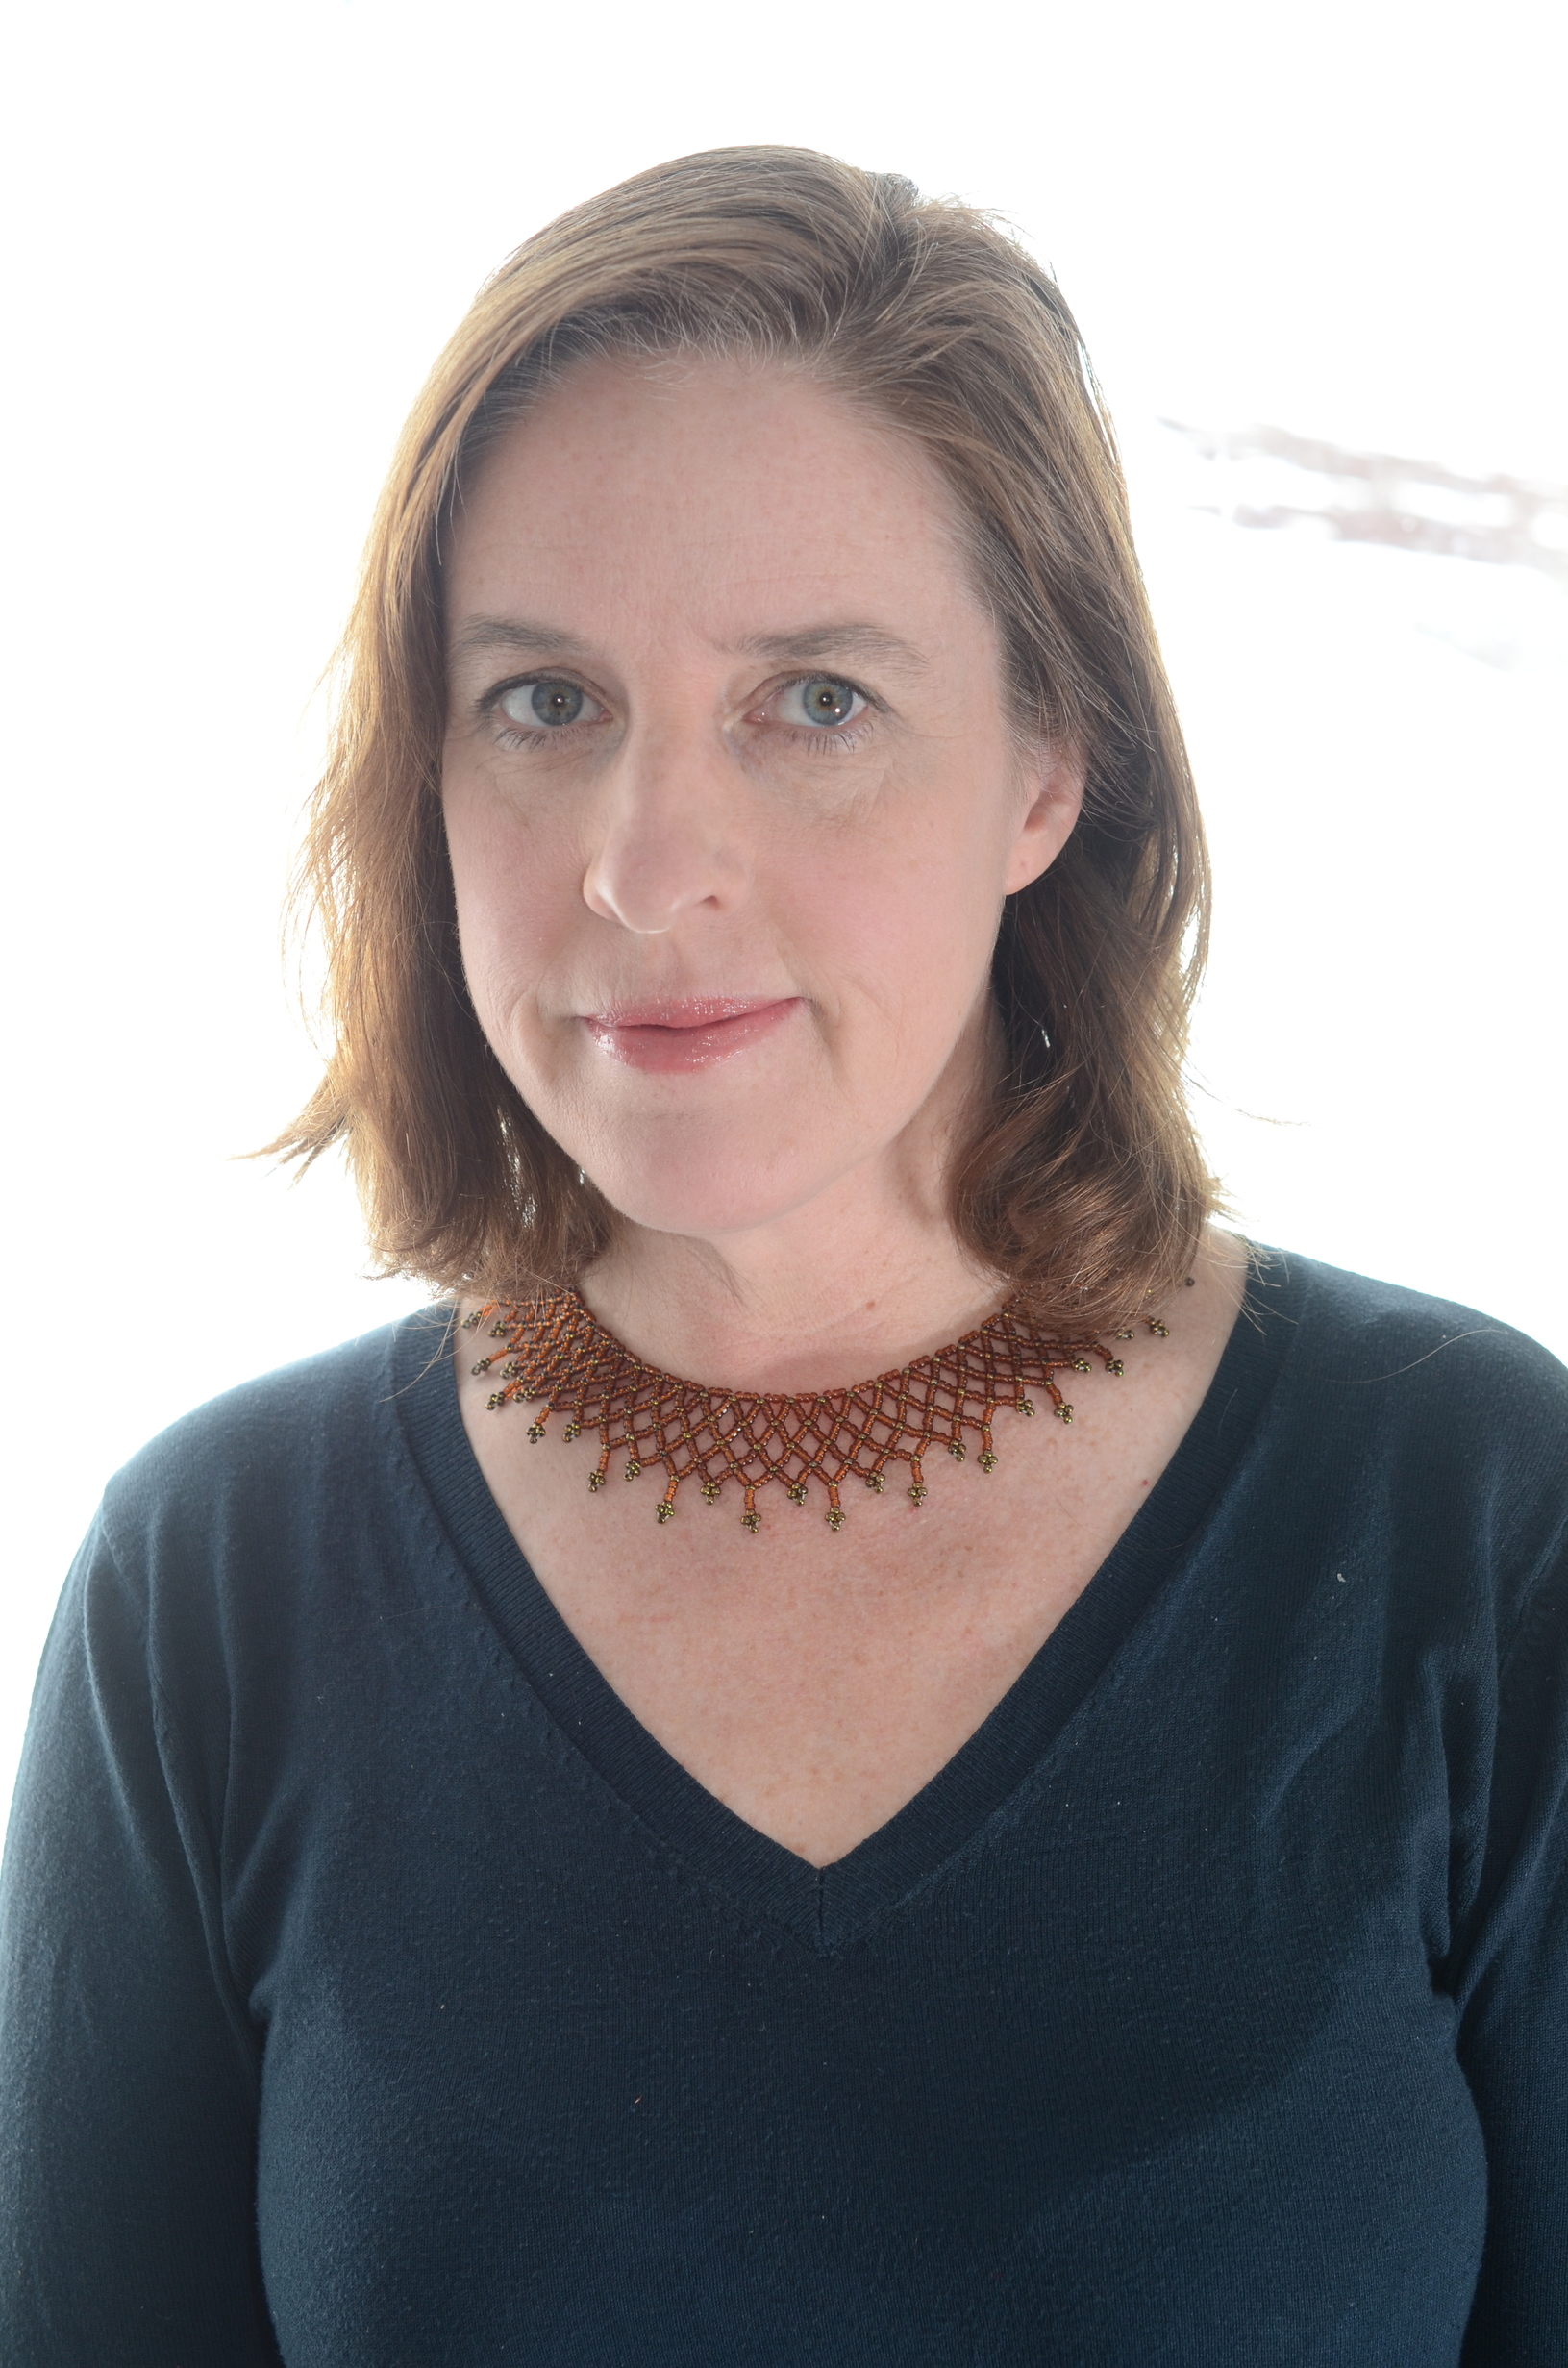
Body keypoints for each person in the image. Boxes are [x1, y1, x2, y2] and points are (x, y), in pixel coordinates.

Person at [1, 147, 1564, 2364]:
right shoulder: (209, 1593)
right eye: (546, 701)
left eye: (813, 700)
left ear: (1049, 766)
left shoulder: (1478, 1527)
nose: (646, 868)